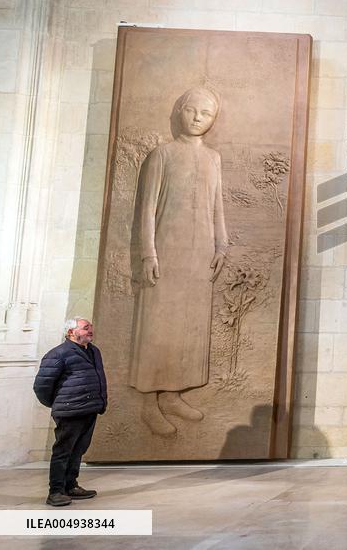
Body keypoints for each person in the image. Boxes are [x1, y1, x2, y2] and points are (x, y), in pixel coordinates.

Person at [130, 86, 228, 436]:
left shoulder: (212, 158)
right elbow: (147, 209)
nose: (198, 118)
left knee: (188, 325)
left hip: (199, 253)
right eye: (192, 110)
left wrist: (221, 245)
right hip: (166, 253)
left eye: (206, 113)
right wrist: (148, 253)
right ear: (180, 111)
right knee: (160, 325)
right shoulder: (163, 154)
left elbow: (217, 205)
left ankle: (172, 394)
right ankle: (149, 403)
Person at [33, 317, 108, 507]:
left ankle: (71, 485)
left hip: (89, 409)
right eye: (85, 328)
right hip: (70, 411)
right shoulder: (59, 354)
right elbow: (42, 386)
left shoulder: (93, 351)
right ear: (71, 333)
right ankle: (56, 491)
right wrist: (59, 404)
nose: (90, 330)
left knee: (78, 450)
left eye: (91, 327)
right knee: (63, 451)